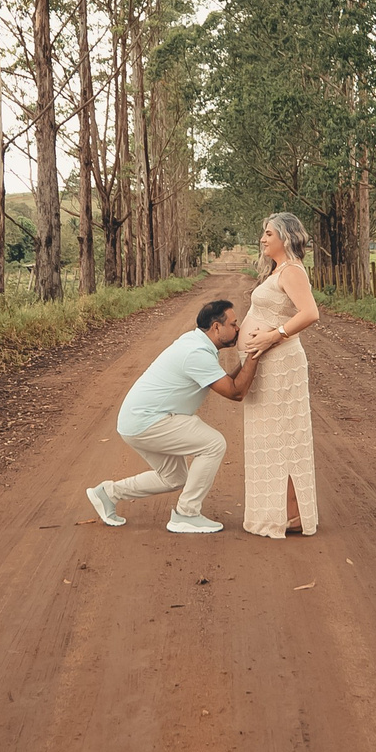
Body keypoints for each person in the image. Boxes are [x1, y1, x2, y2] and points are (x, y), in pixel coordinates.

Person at [85, 298, 256, 534]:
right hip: (148, 421)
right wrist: (255, 356)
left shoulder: (196, 344)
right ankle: (187, 514)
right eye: (234, 324)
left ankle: (107, 493)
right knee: (214, 444)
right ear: (217, 327)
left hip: (136, 421)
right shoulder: (196, 353)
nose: (238, 329)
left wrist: (248, 358)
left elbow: (228, 382)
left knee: (174, 477)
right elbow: (236, 393)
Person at [238, 211, 321, 538]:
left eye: (269, 234)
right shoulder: (277, 271)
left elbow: (311, 313)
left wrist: (275, 335)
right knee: (270, 439)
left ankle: (292, 516)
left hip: (283, 364)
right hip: (267, 366)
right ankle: (285, 513)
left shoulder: (291, 271)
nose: (263, 239)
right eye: (264, 233)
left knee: (284, 438)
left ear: (285, 237)